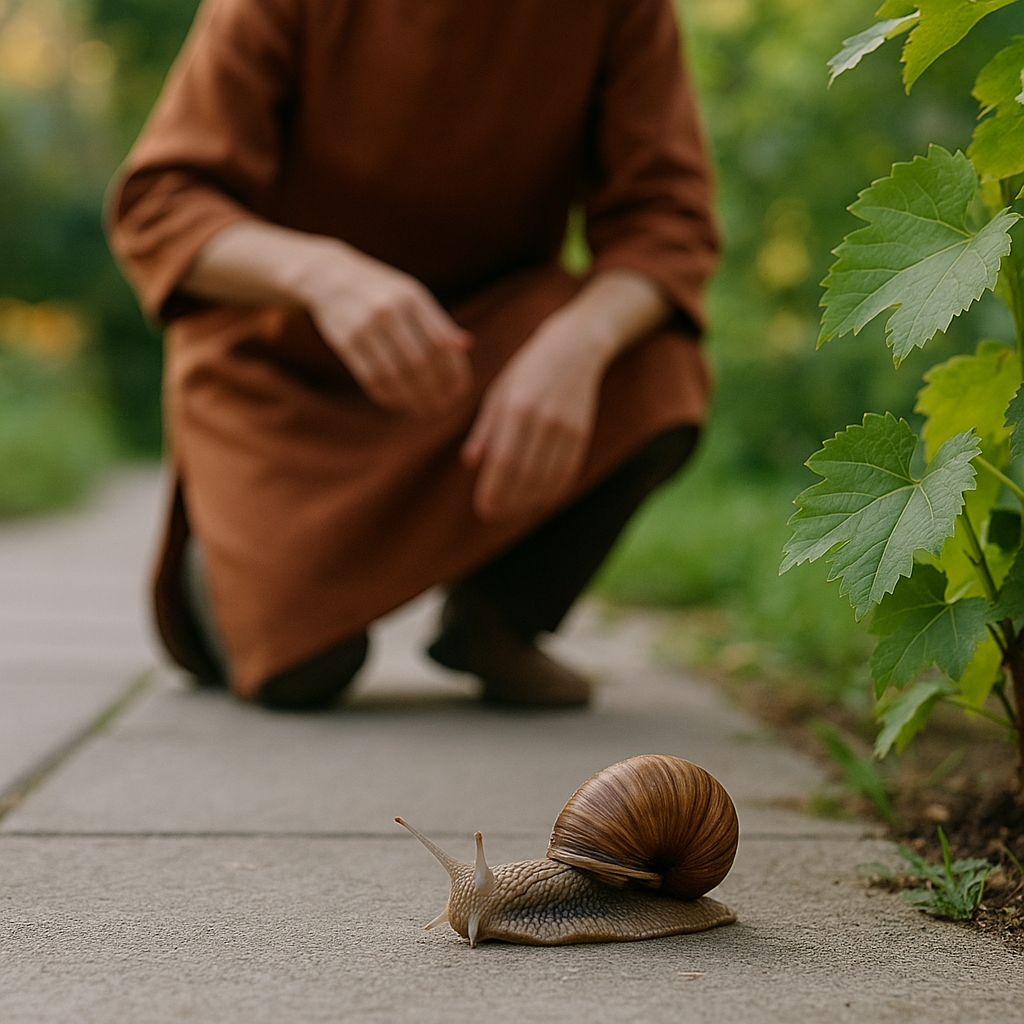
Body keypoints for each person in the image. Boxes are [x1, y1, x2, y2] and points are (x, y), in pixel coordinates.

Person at [106, 0, 718, 711]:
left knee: (657, 366)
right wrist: (321, 275)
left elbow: (668, 219)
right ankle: (225, 572)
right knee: (304, 671)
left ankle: (498, 617)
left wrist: (580, 342)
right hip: (281, 372)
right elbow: (160, 202)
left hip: (480, 358)